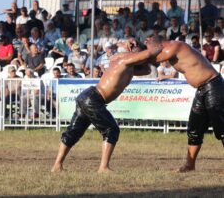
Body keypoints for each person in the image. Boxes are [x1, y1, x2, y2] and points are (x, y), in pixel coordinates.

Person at [113, 35, 224, 173]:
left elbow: (148, 57)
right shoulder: (166, 50)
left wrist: (132, 49)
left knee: (222, 129)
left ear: (157, 43)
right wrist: (133, 45)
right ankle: (190, 165)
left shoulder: (175, 46)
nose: (147, 46)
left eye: (148, 43)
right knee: (194, 130)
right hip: (202, 90)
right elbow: (146, 58)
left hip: (214, 86)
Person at [51, 44, 160, 173]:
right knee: (111, 130)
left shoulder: (130, 68)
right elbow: (149, 53)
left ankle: (57, 165)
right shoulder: (123, 59)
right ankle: (103, 167)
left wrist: (144, 58)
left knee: (74, 132)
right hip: (93, 98)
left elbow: (147, 70)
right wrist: (159, 45)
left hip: (89, 97)